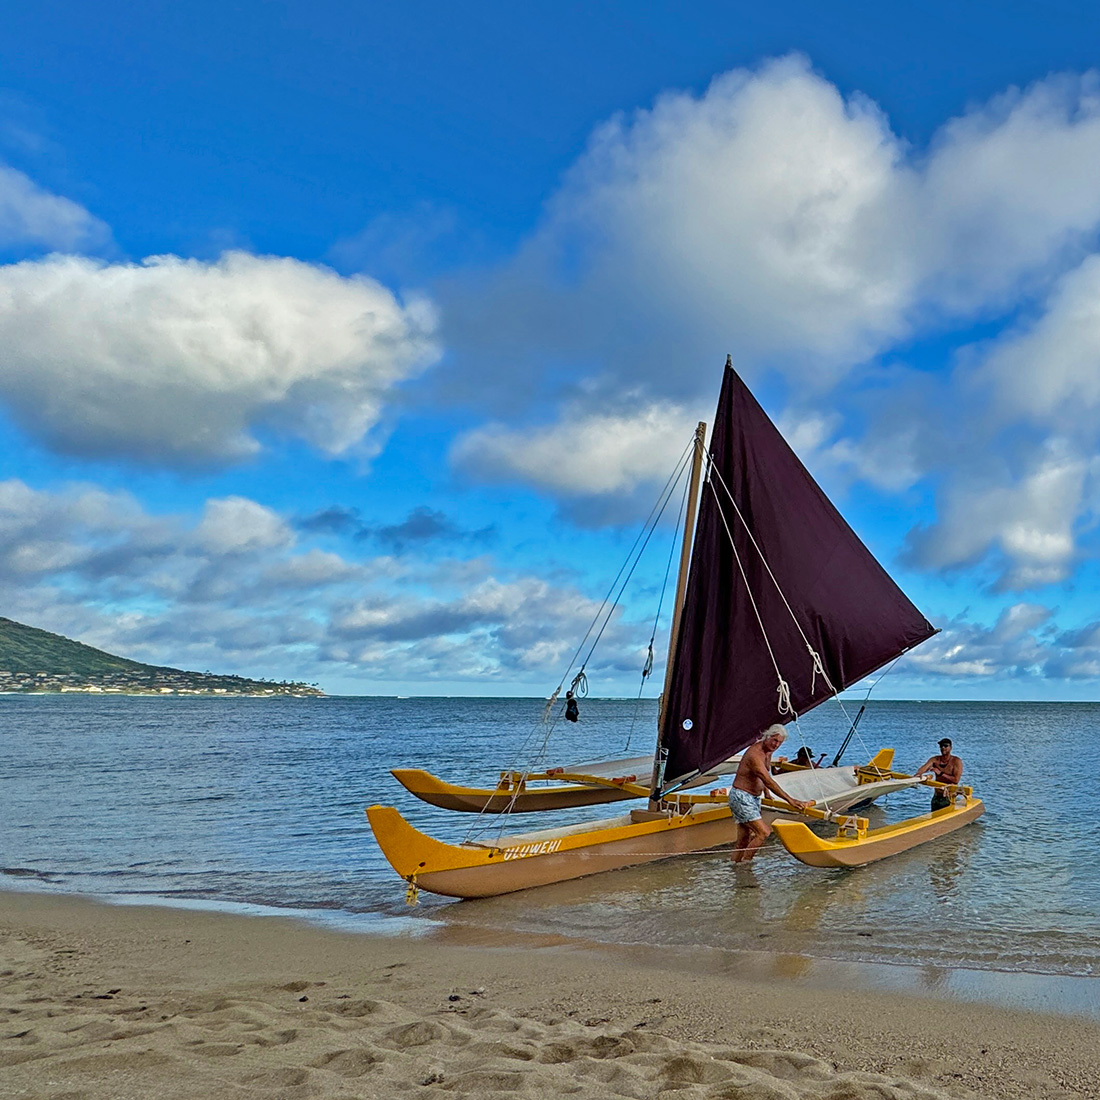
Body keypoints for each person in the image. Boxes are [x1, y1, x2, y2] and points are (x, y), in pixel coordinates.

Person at [727, 724, 815, 863]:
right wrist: (790, 800)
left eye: (780, 742)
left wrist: (766, 793)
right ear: (766, 737)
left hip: (753, 798)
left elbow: (762, 776)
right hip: (742, 797)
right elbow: (768, 780)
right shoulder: (754, 754)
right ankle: (746, 865)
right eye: (774, 740)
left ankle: (735, 866)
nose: (776, 745)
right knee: (763, 833)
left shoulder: (768, 750)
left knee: (743, 840)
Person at [916, 738, 963, 810]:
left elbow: (956, 780)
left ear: (950, 748)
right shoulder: (935, 759)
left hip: (949, 798)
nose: (943, 748)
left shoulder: (956, 761)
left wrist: (940, 773)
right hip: (937, 798)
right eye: (941, 746)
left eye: (945, 746)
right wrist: (919, 773)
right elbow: (925, 767)